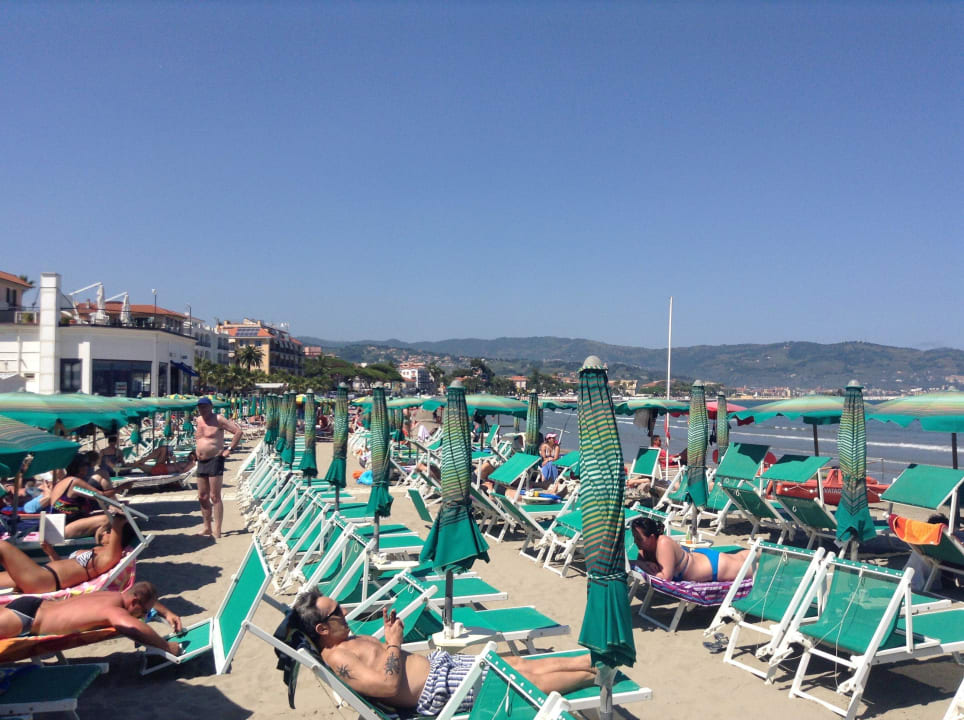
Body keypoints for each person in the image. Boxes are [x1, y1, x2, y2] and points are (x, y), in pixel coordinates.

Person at [291, 591, 596, 714]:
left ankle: (591, 660)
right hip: (440, 689)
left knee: (513, 663)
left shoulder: (344, 640)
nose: (344, 612)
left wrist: (390, 637)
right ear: (322, 629)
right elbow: (387, 686)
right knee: (519, 683)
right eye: (336, 612)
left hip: (441, 666)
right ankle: (593, 676)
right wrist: (394, 641)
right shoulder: (337, 658)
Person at [0, 580, 183, 656]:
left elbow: (142, 597)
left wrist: (167, 612)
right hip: (27, 618)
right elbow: (133, 628)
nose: (143, 616)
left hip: (33, 605)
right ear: (134, 602)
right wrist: (166, 646)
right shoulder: (114, 610)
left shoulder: (112, 595)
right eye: (144, 612)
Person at [0, 515, 137, 592]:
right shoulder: (98, 551)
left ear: (117, 537)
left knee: (2, 546)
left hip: (43, 580)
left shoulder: (107, 557)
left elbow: (112, 555)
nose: (105, 532)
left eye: (109, 532)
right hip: (43, 575)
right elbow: (66, 570)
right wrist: (51, 552)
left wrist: (118, 523)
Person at [629, 516, 751, 583]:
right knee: (739, 557)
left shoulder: (663, 543)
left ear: (651, 537)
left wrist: (640, 564)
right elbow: (639, 564)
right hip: (699, 558)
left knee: (756, 569)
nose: (635, 541)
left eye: (639, 538)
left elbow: (665, 578)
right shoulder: (644, 550)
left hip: (715, 567)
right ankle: (759, 551)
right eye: (635, 537)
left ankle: (761, 550)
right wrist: (642, 563)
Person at [194, 396, 242, 539]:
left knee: (215, 496)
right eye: (200, 407)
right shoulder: (198, 420)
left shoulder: (219, 419)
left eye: (204, 406)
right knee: (202, 497)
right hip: (201, 461)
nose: (202, 409)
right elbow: (200, 439)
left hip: (215, 459)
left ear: (210, 407)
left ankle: (217, 530)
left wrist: (229, 449)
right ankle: (207, 527)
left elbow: (238, 432)